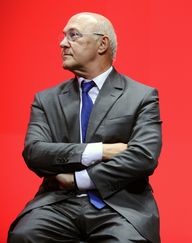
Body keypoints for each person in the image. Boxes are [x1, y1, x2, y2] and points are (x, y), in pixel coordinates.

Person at [8, 12, 162, 243]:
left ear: (102, 44)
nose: (62, 43)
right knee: (25, 236)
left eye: (73, 35)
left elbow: (143, 157)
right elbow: (35, 153)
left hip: (119, 206)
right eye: (63, 36)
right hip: (58, 203)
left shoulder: (141, 96)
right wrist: (100, 150)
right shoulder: (46, 100)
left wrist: (79, 179)